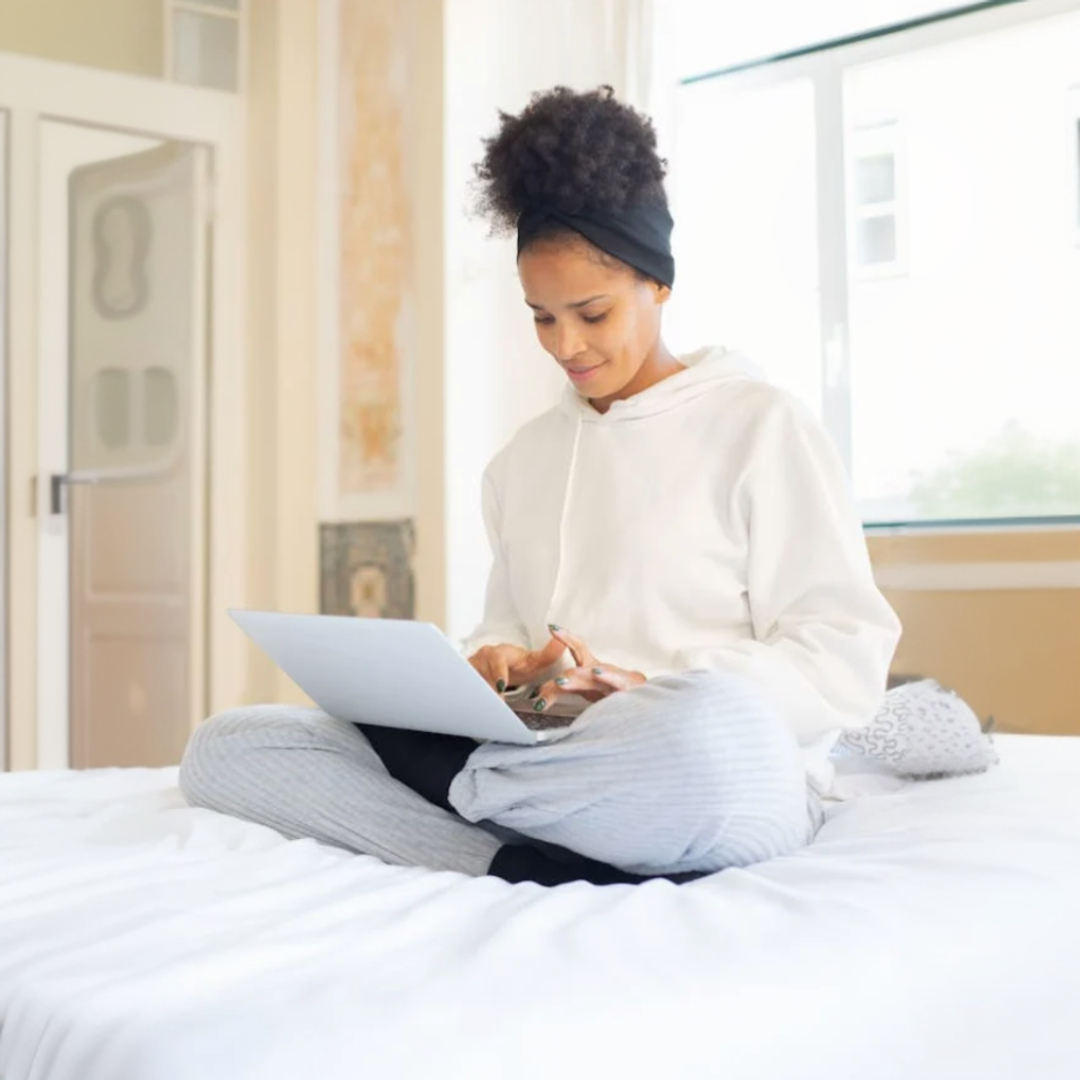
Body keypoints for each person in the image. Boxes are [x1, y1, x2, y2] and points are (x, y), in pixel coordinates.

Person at [180, 86, 901, 886]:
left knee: (711, 733)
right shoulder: (521, 463)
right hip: (556, 754)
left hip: (699, 764)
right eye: (541, 316)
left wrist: (645, 688)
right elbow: (506, 638)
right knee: (229, 747)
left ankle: (459, 804)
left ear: (658, 283)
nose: (566, 344)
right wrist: (496, 665)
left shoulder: (763, 427)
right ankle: (510, 850)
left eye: (592, 313)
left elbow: (844, 659)